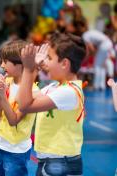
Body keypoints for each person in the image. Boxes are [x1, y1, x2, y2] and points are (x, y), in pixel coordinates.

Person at [18, 32, 86, 176]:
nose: (45, 62)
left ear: (64, 64)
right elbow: (23, 98)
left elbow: (24, 105)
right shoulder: (55, 87)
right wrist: (34, 69)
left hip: (58, 161)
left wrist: (29, 69)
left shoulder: (68, 92)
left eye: (49, 58)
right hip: (52, 159)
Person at [0, 40, 37, 176]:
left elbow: (13, 120)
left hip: (17, 151)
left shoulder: (31, 90)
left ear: (20, 64)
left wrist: (2, 95)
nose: (2, 66)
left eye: (5, 62)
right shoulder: (7, 82)